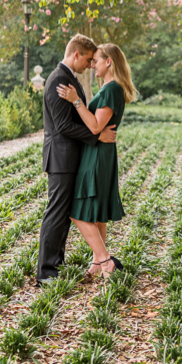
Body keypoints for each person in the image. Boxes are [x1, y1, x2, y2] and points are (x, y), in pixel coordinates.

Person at [36, 35, 117, 286]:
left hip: (69, 158)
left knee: (62, 216)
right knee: (56, 214)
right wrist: (97, 136)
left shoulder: (69, 78)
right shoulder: (59, 79)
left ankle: (56, 266)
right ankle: (46, 274)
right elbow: (62, 125)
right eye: (88, 60)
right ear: (76, 55)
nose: (90, 66)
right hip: (60, 158)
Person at [56, 43, 137, 278]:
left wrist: (76, 101)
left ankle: (105, 260)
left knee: (76, 210)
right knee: (97, 210)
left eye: (97, 61)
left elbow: (94, 126)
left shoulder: (112, 89)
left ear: (109, 62)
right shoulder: (110, 88)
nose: (93, 66)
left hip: (98, 154)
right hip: (99, 152)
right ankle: (96, 264)